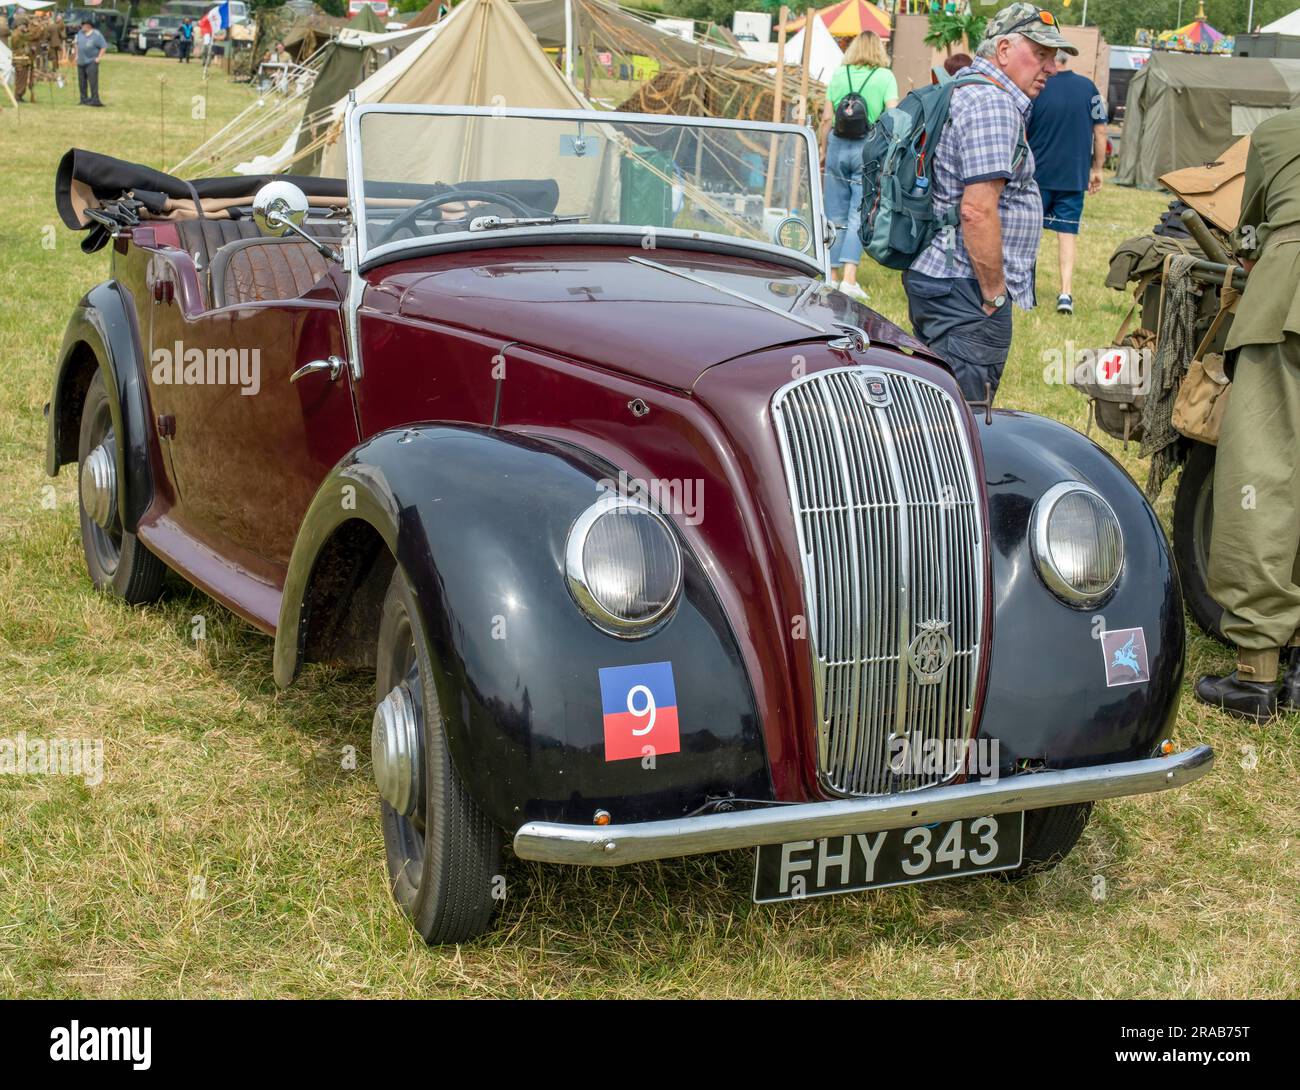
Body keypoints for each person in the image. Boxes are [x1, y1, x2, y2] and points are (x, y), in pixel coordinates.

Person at [902, 4, 1073, 403]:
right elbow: (976, 210)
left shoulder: (965, 86)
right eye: (1041, 54)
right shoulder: (993, 105)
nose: (1050, 67)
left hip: (943, 279)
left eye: (1053, 57)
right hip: (966, 288)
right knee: (963, 422)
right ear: (1004, 50)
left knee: (932, 408)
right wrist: (995, 295)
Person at [1194, 106, 1300, 721]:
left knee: (1261, 477)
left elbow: (1251, 229)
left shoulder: (1281, 131)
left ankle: (1257, 676)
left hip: (1286, 300)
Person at [818, 30, 898, 302]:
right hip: (868, 147)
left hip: (837, 145)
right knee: (857, 212)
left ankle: (830, 275)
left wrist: (823, 148)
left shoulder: (840, 75)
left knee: (833, 212)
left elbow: (827, 117)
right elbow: (893, 115)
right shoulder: (885, 77)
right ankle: (850, 278)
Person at [1026, 50, 1106, 314]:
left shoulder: (1037, 85)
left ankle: (1027, 290)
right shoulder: (1088, 88)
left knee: (1030, 234)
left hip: (1038, 174)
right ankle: (1065, 293)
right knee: (1068, 235)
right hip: (1074, 175)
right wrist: (1097, 168)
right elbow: (1100, 130)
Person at [74, 18, 106, 107]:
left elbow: (103, 47)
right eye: (82, 25)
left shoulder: (97, 35)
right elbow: (76, 44)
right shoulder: (80, 33)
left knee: (93, 82)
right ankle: (83, 99)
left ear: (89, 26)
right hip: (81, 61)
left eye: (84, 25)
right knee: (82, 81)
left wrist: (99, 58)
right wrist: (76, 55)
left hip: (91, 61)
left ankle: (95, 100)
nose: (82, 26)